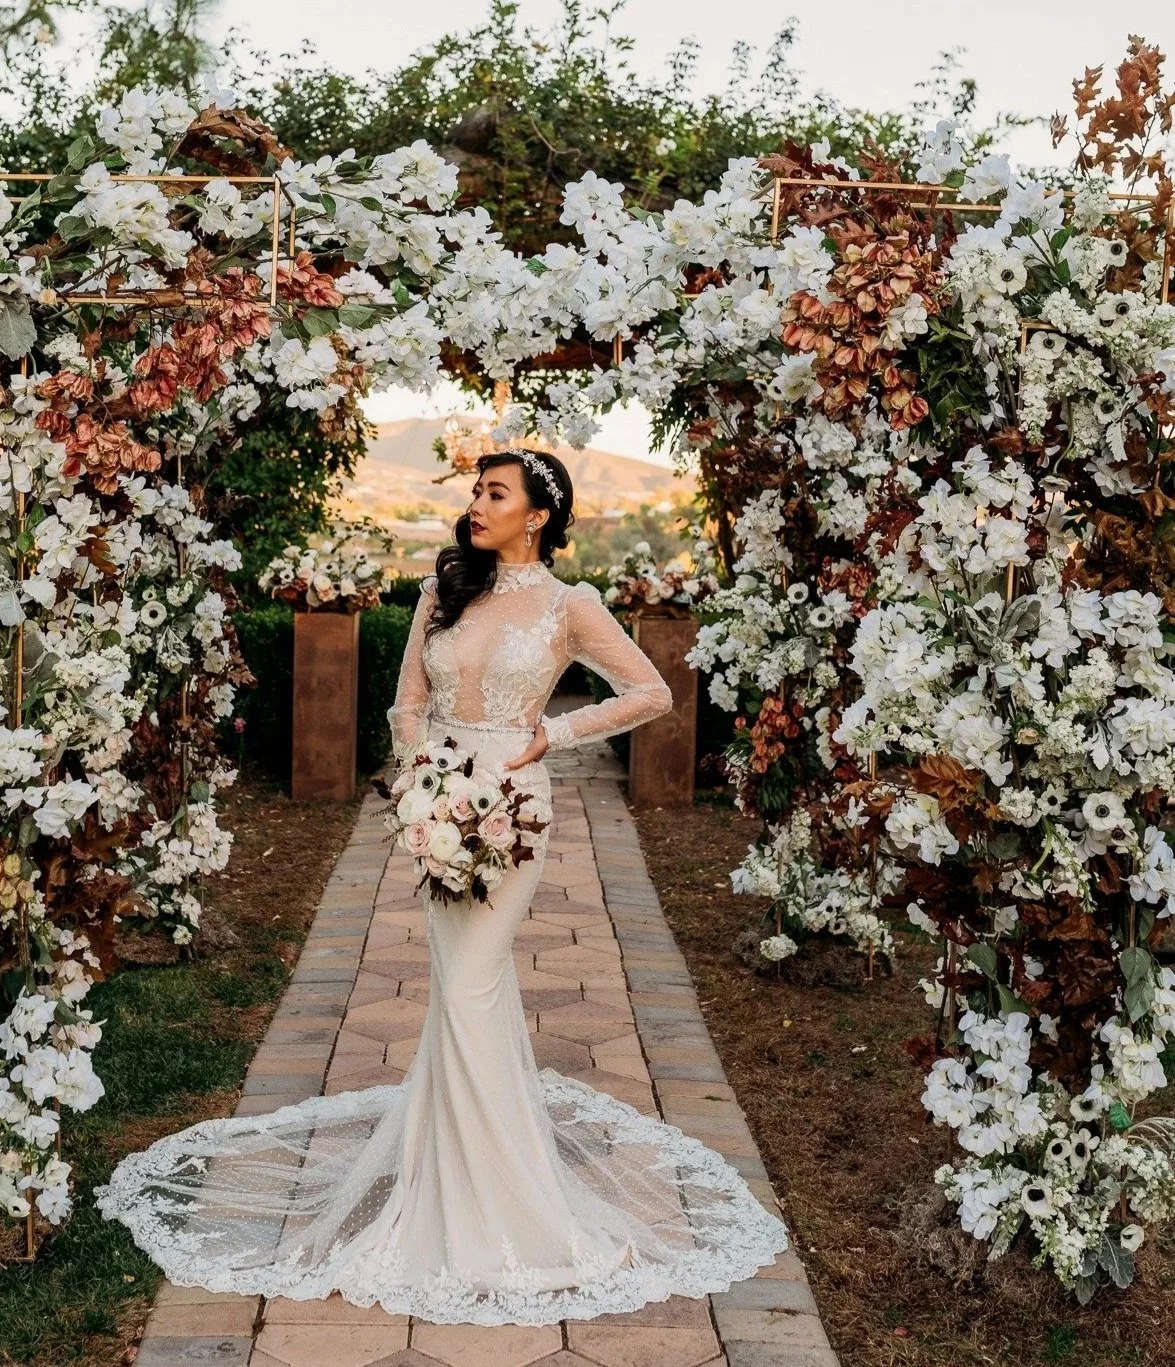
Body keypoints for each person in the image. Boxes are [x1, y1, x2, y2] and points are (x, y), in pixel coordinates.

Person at [96, 449, 786, 1325]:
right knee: (460, 991)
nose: (477, 503)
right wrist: (421, 775)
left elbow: (649, 691)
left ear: (538, 515)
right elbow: (407, 694)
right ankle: (447, 1176)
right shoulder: (442, 589)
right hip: (438, 800)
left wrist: (555, 735)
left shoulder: (570, 605)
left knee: (470, 985)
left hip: (513, 800)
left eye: (495, 493)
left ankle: (509, 1210)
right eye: (474, 491)